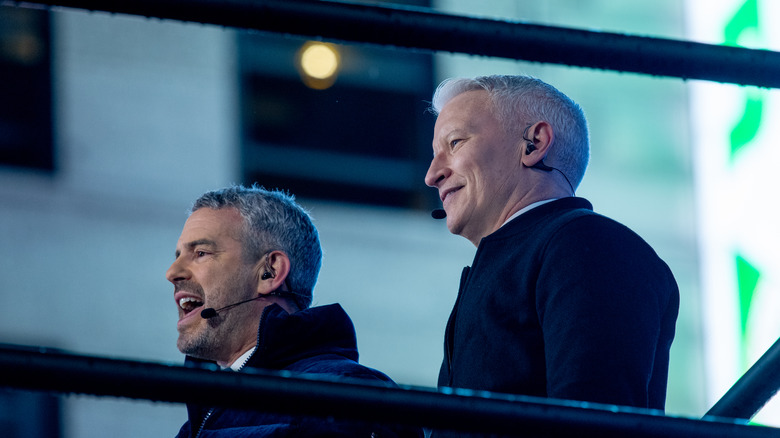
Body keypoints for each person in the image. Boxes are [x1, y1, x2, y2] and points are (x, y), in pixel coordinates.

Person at [424, 75, 679, 413]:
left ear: (534, 143)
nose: (432, 175)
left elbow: (591, 424)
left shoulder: (590, 245)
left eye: (455, 143)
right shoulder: (552, 251)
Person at [166, 184, 420, 438]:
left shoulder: (341, 393)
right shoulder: (196, 423)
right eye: (177, 256)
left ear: (271, 272)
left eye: (201, 253)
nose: (172, 273)